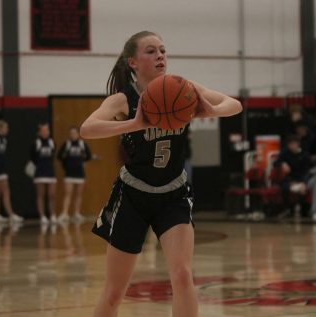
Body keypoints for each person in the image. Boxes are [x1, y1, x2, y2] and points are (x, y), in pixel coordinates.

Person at [79, 31, 242, 317]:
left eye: (163, 50)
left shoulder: (182, 89)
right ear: (133, 62)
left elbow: (234, 105)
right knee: (115, 292)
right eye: (151, 51)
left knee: (182, 275)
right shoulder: (123, 100)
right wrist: (135, 123)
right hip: (132, 196)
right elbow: (87, 129)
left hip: (173, 194)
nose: (161, 56)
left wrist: (209, 111)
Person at [0, 120, 24, 225]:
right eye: (5, 128)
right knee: (6, 191)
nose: (7, 129)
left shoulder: (4, 140)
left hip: (2, 168)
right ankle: (11, 214)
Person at [57, 126, 93, 223]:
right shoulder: (67, 144)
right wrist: (66, 160)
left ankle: (76, 213)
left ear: (78, 134)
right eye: (71, 133)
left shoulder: (82, 144)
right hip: (69, 173)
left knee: (78, 194)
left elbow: (89, 156)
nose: (72, 135)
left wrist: (83, 158)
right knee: (68, 193)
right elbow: (59, 156)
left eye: (74, 133)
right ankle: (65, 213)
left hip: (80, 173)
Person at [30, 123, 57, 225]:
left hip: (50, 172)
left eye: (47, 130)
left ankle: (53, 215)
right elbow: (32, 157)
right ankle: (42, 216)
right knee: (41, 195)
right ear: (39, 132)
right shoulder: (36, 143)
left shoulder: (52, 142)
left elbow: (53, 155)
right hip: (40, 173)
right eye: (44, 130)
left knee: (52, 195)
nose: (46, 132)